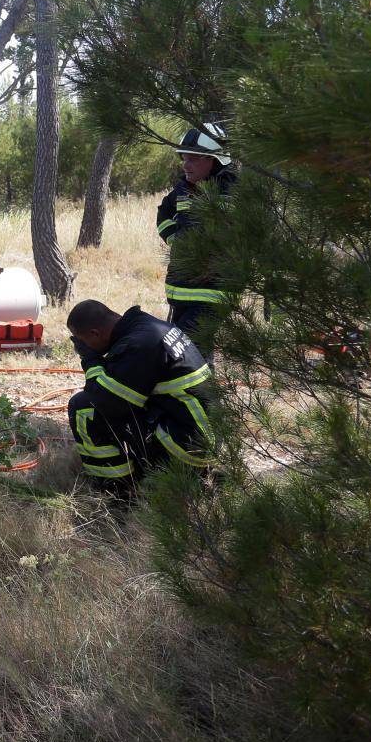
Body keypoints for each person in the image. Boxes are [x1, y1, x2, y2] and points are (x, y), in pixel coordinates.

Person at [63, 299, 217, 489]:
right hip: (198, 437)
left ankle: (119, 491)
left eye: (82, 341)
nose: (80, 346)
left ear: (95, 333)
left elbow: (104, 402)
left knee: (83, 407)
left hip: (186, 449)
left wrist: (90, 359)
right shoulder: (146, 326)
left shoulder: (139, 345)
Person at [156, 122, 237, 355]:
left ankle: (200, 391)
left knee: (186, 353)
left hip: (212, 290)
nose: (185, 164)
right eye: (184, 158)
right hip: (180, 289)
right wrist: (174, 238)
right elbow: (163, 211)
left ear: (214, 160)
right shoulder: (183, 189)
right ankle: (199, 390)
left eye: (193, 159)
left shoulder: (234, 192)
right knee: (188, 353)